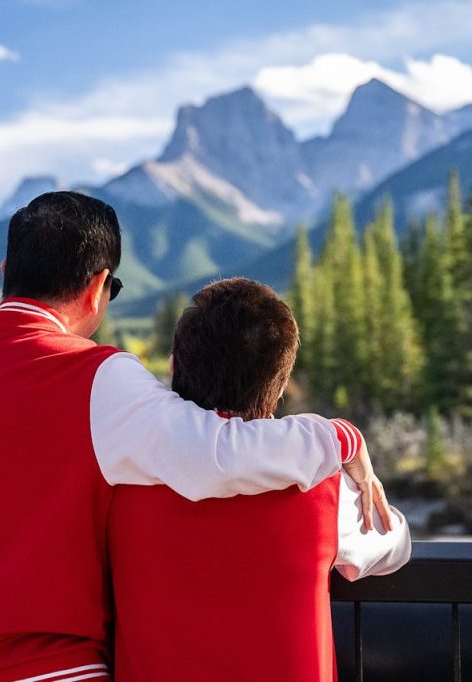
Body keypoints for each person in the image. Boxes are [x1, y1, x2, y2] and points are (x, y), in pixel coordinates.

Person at [0, 192, 390, 682]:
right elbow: (220, 452)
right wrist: (341, 438)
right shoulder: (96, 375)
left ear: (6, 274)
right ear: (98, 287)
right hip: (40, 669)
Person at [109, 278, 412, 682]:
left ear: (174, 367)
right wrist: (343, 441)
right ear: (280, 385)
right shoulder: (322, 490)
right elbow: (396, 546)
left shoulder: (120, 482)